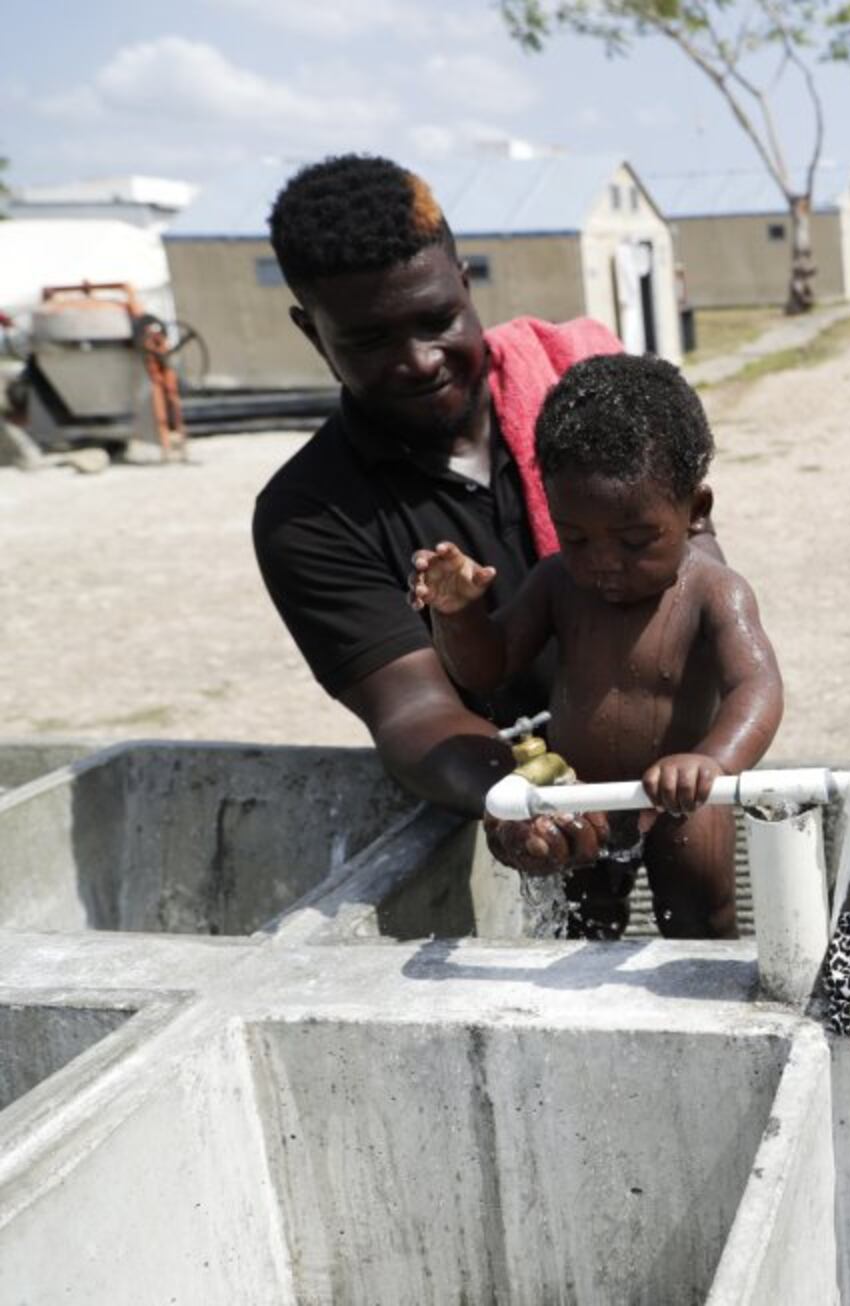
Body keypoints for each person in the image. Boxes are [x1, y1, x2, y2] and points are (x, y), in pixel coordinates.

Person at [251, 154, 720, 877]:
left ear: (467, 285)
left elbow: (700, 566)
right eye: (369, 341)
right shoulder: (308, 515)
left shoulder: (591, 405)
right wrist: (518, 796)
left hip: (669, 760)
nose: (419, 360)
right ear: (312, 332)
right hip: (519, 786)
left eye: (438, 319)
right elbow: (411, 711)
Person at [410, 355, 782, 938]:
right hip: (583, 795)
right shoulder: (558, 582)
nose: (605, 563)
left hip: (682, 801)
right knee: (584, 920)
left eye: (636, 540)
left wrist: (712, 761)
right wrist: (459, 615)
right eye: (576, 537)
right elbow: (489, 668)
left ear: (695, 512)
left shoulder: (714, 591)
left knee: (700, 917)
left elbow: (755, 687)